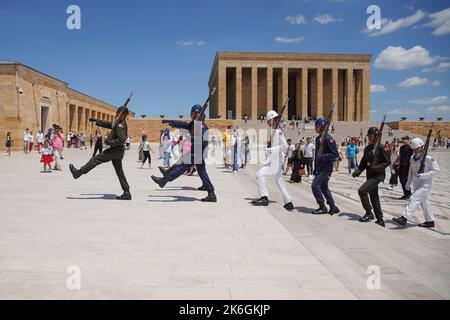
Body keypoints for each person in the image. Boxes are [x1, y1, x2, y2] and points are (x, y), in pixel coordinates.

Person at [151, 104, 217, 202]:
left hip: (198, 153)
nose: (191, 115)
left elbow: (204, 139)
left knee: (182, 166)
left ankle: (164, 180)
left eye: (193, 113)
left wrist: (197, 137)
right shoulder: (193, 124)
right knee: (201, 171)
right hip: (195, 152)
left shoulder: (201, 125)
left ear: (197, 114)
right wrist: (170, 122)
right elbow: (182, 124)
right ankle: (211, 193)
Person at [69, 106, 132, 201]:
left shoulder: (121, 125)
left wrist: (109, 142)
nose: (116, 115)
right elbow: (109, 124)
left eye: (118, 113)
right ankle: (126, 192)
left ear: (123, 115)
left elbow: (121, 139)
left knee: (96, 159)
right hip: (118, 151)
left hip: (115, 150)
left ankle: (79, 172)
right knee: (119, 171)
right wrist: (96, 121)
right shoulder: (118, 123)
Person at [251, 110, 294, 211]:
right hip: (274, 160)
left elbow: (284, 147)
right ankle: (288, 202)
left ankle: (264, 198)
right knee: (279, 181)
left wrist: (270, 150)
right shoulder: (275, 131)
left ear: (273, 119)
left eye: (268, 120)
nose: (267, 123)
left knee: (259, 175)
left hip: (276, 161)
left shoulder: (278, 131)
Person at [393, 138, 440, 228]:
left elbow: (436, 170)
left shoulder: (428, 158)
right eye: (413, 149)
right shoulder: (412, 158)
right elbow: (411, 172)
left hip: (425, 184)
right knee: (424, 202)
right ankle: (430, 221)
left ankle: (404, 218)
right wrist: (407, 183)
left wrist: (424, 175)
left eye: (416, 148)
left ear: (422, 147)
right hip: (417, 184)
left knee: (414, 198)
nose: (415, 150)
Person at [352, 127, 391, 227]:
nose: (369, 137)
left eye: (371, 135)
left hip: (378, 176)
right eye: (368, 135)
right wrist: (358, 170)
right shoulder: (367, 148)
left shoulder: (383, 147)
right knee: (374, 197)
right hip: (370, 175)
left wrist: (377, 168)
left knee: (362, 191)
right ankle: (380, 218)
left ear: (377, 136)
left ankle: (369, 213)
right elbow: (364, 162)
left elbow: (387, 162)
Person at [311, 117, 340, 215]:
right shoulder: (319, 138)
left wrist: (322, 157)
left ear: (323, 127)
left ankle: (322, 206)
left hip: (326, 167)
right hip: (320, 167)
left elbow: (335, 154)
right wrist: (315, 168)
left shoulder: (328, 138)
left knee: (315, 185)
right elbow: (317, 155)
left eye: (317, 126)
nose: (315, 128)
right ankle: (332, 206)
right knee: (324, 187)